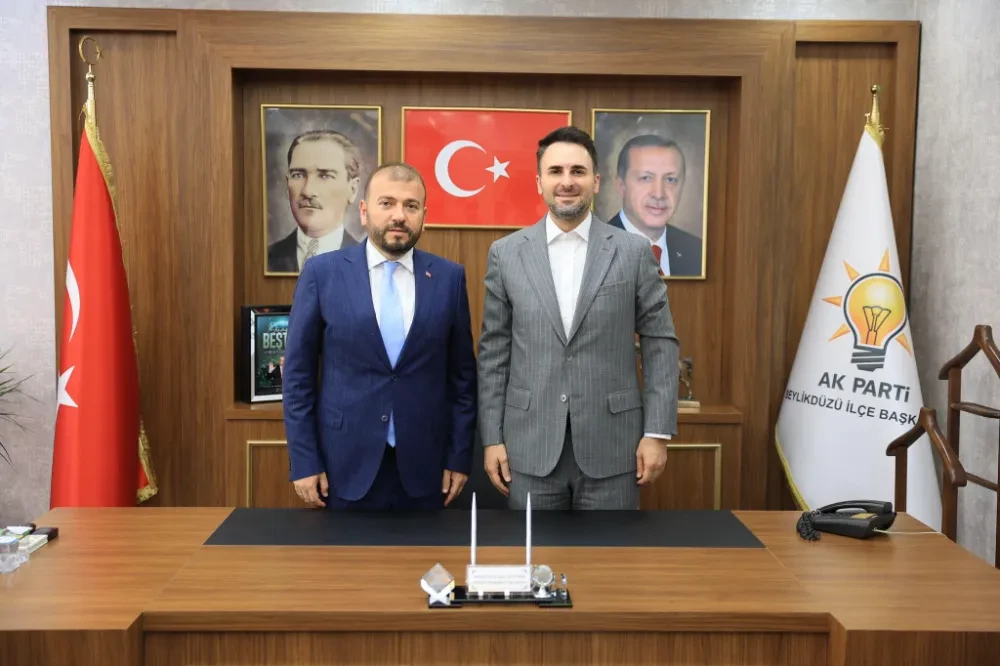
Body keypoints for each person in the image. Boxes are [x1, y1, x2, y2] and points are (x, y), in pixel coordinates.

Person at [477, 126, 680, 510]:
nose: (567, 182)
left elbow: (660, 343)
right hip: (529, 448)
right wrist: (492, 438)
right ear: (539, 182)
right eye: (555, 171)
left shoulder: (633, 251)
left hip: (615, 447)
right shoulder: (506, 254)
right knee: (533, 551)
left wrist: (657, 432)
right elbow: (493, 353)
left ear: (596, 181)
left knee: (611, 551)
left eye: (578, 171)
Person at [282, 162, 477, 510]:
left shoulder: (449, 278)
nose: (399, 215)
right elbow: (298, 377)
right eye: (386, 203)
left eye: (411, 205)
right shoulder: (322, 274)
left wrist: (459, 457)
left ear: (423, 216)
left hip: (427, 468)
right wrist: (304, 460)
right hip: (341, 465)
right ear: (363, 211)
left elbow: (462, 380)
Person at [606, 134, 702, 277]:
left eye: (670, 179)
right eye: (646, 178)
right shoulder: (595, 249)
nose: (659, 194)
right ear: (621, 186)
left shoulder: (697, 251)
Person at [267, 130, 362, 273]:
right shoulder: (266, 259)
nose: (308, 191)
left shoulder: (367, 262)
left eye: (325, 176)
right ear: (287, 185)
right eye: (298, 175)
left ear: (352, 189)